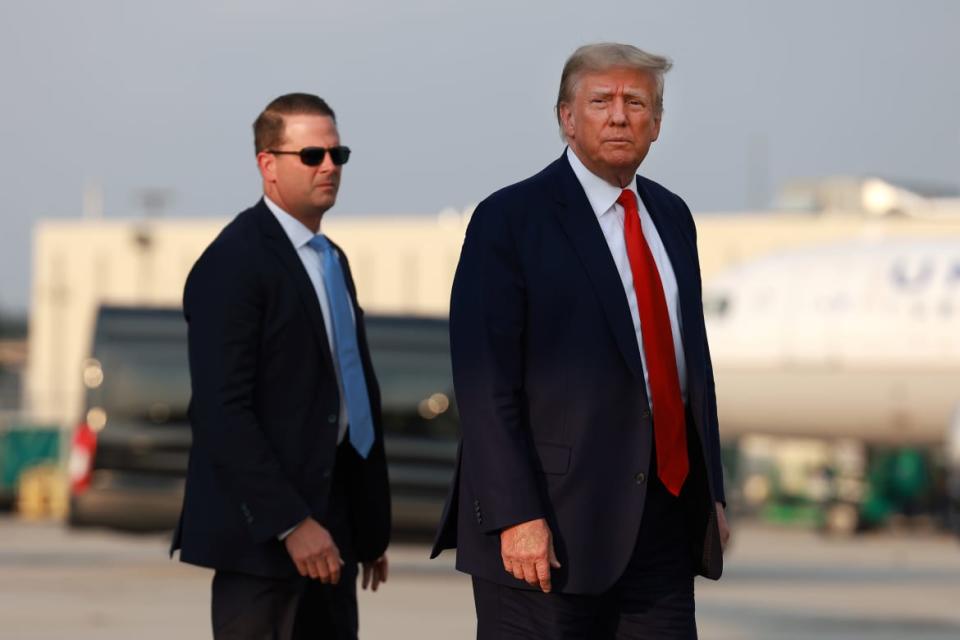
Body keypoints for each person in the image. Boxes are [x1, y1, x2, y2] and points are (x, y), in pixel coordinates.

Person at [431, 43, 730, 639]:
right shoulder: (510, 219)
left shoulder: (672, 217)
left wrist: (711, 494)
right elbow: (485, 382)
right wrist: (516, 514)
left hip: (661, 526)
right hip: (547, 530)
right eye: (601, 101)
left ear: (658, 123)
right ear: (567, 118)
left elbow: (691, 369)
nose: (619, 116)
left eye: (636, 103)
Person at [171, 93, 390, 640]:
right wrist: (291, 524)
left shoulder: (330, 259)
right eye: (312, 155)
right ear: (268, 164)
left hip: (333, 532)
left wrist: (364, 529)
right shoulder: (234, 262)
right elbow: (223, 412)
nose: (329, 168)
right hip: (263, 544)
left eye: (338, 155)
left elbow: (347, 394)